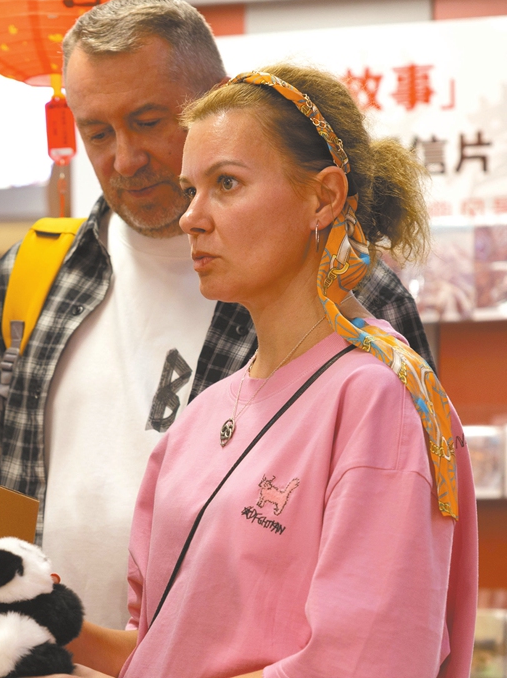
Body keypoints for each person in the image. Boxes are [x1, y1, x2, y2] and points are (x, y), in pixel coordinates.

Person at [0, 0, 436, 631]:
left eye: (148, 121)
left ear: (213, 102)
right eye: (97, 132)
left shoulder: (347, 296)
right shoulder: (22, 284)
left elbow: (393, 556)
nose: (124, 159)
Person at [70, 64, 477, 678]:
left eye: (226, 184)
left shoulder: (379, 398)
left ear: (324, 197)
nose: (191, 218)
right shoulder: (206, 412)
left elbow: (366, 663)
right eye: (191, 190)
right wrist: (53, 621)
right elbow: (160, 649)